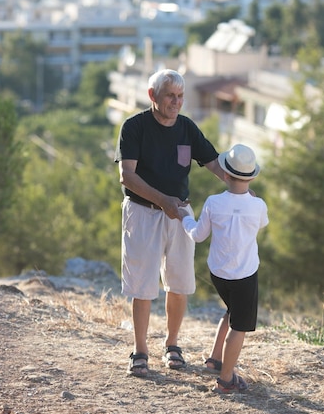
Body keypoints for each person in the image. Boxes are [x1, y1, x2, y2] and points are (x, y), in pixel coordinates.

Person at [114, 69, 225, 378]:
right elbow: (127, 176)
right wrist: (163, 200)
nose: (176, 102)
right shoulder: (134, 127)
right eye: (170, 97)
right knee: (143, 284)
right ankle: (140, 350)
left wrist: (239, 186)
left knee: (179, 283)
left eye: (180, 97)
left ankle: (172, 345)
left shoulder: (187, 128)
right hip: (142, 212)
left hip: (179, 213)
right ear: (153, 96)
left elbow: (213, 162)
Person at [178, 144, 269, 394]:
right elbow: (262, 223)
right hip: (244, 275)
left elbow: (197, 235)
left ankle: (215, 358)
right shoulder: (258, 205)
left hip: (218, 274)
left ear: (225, 175)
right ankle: (226, 379)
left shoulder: (213, 202)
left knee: (231, 311)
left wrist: (183, 216)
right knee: (239, 327)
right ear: (251, 176)